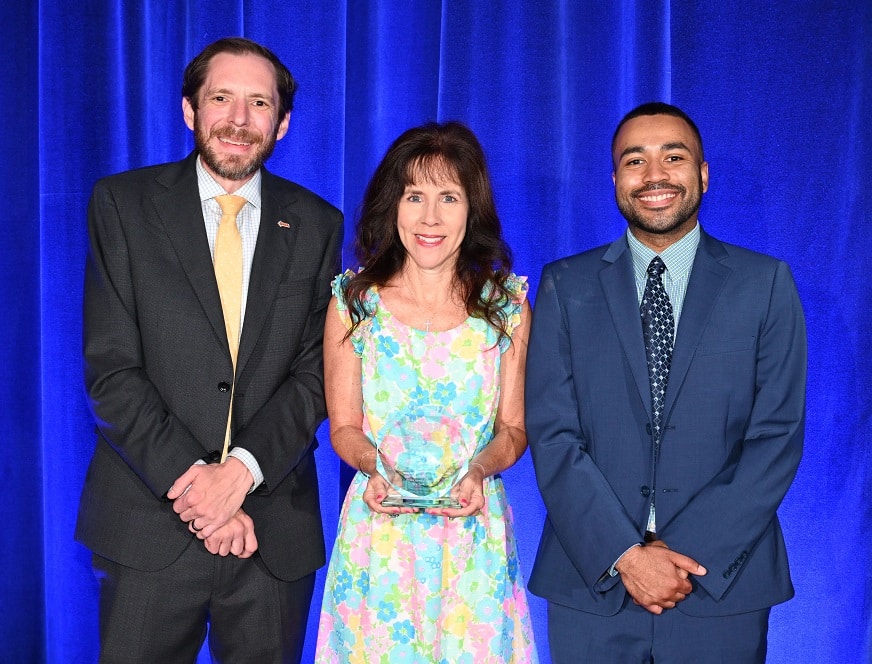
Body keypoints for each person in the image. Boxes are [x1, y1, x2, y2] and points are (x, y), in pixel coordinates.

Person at [76, 37, 343, 663]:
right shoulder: (123, 205)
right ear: (190, 110)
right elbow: (111, 370)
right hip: (147, 526)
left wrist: (241, 472)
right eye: (221, 98)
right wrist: (203, 492)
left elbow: (315, 375)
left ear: (282, 123)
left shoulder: (317, 224)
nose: (238, 119)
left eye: (259, 104)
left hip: (271, 536)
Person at [525, 102, 806, 662]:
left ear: (702, 173)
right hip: (593, 579)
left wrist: (682, 556)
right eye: (635, 161)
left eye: (673, 157)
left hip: (720, 581)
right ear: (615, 180)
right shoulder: (564, 285)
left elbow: (776, 437)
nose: (654, 176)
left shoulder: (765, 283)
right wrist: (627, 555)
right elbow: (552, 434)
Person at [314, 121, 538, 662]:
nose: (430, 217)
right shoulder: (354, 302)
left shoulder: (506, 306)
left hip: (471, 539)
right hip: (381, 538)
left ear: (472, 209)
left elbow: (513, 430)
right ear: (394, 205)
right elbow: (343, 427)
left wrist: (480, 469)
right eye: (415, 196)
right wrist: (372, 465)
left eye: (448, 197)